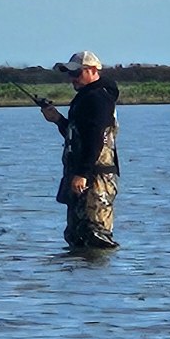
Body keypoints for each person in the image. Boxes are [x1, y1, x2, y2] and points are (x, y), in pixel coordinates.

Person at [41, 51, 120, 249]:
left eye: (76, 73)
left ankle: (103, 270)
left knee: (97, 236)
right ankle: (78, 268)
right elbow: (78, 137)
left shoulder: (98, 98)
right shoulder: (84, 98)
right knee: (76, 235)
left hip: (96, 179)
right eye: (70, 74)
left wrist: (82, 173)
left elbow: (96, 139)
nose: (72, 78)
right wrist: (58, 120)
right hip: (81, 178)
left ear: (92, 70)